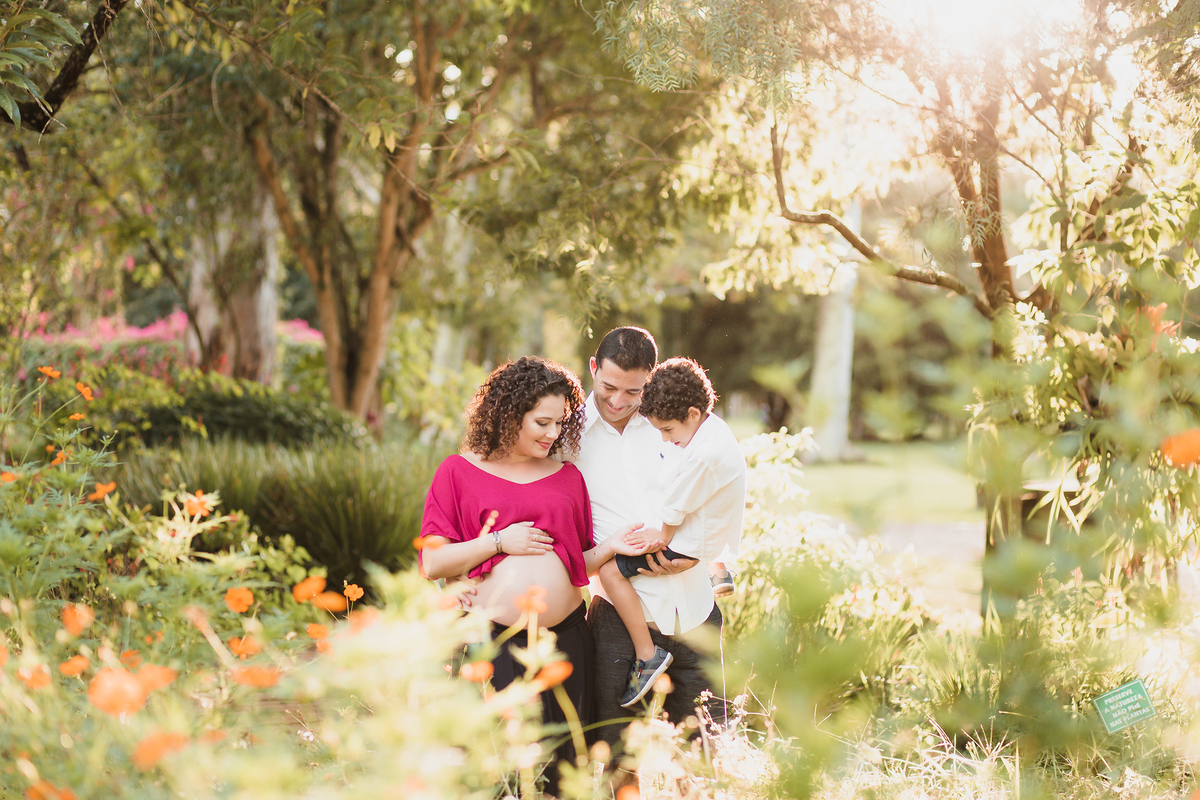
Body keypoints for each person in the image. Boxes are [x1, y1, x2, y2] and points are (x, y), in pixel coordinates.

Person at [418, 356, 647, 794]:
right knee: (496, 764)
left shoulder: (568, 477)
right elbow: (434, 563)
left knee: (560, 766)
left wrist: (610, 548)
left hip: (564, 638)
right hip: (494, 638)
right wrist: (499, 542)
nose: (553, 434)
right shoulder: (458, 472)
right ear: (509, 413)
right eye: (542, 422)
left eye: (560, 423)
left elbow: (576, 564)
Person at [574, 327, 727, 749]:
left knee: (704, 754)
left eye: (633, 391)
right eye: (608, 387)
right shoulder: (565, 437)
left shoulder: (674, 420)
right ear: (593, 368)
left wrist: (701, 553)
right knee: (615, 756)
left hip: (693, 607)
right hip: (619, 617)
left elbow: (719, 484)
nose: (619, 401)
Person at [597, 356, 747, 707]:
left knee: (608, 571)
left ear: (692, 414)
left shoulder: (704, 457)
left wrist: (660, 537)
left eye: (667, 431)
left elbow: (676, 504)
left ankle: (647, 655)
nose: (665, 439)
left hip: (683, 548)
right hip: (705, 542)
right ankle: (719, 567)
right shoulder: (715, 430)